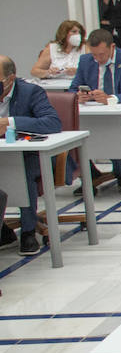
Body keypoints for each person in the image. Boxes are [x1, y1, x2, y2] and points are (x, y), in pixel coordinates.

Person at [0, 56, 62, 257]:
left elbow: (52, 123)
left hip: (33, 156)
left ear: (11, 78)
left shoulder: (30, 92)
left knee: (21, 171)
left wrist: (11, 122)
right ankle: (4, 231)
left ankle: (28, 231)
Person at [70, 28, 121, 195]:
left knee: (113, 131)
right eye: (94, 55)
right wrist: (78, 96)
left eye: (101, 54)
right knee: (79, 132)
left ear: (112, 47)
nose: (97, 59)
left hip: (120, 114)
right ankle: (89, 175)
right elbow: (72, 89)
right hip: (92, 113)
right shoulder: (86, 61)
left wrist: (111, 98)